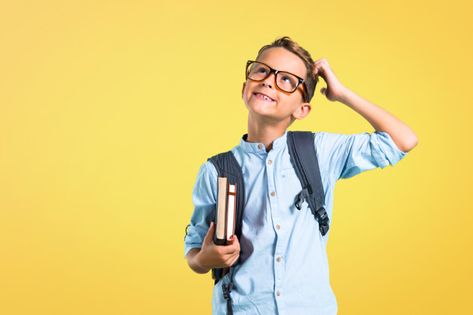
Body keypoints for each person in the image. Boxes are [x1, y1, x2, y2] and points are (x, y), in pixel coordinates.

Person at [183, 36, 418, 315]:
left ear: (302, 109)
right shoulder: (216, 170)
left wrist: (341, 93)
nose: (269, 81)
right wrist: (206, 258)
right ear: (245, 87)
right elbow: (195, 251)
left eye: (286, 80)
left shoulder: (319, 152)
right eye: (261, 70)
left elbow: (402, 140)